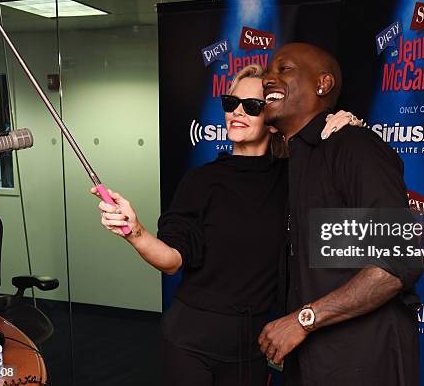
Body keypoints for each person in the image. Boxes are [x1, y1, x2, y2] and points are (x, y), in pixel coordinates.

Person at [91, 63, 360, 386]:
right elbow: (172, 260)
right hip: (189, 344)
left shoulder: (293, 179)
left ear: (272, 119)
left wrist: (345, 133)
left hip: (252, 349)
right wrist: (135, 231)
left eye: (253, 106)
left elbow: (341, 190)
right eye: (231, 103)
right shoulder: (201, 181)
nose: (238, 112)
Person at [258, 43, 422, 386]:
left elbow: (397, 262)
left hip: (363, 361)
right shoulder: (297, 158)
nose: (268, 78)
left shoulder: (353, 146)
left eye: (283, 69)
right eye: (268, 71)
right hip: (311, 361)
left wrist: (303, 319)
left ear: (323, 84)